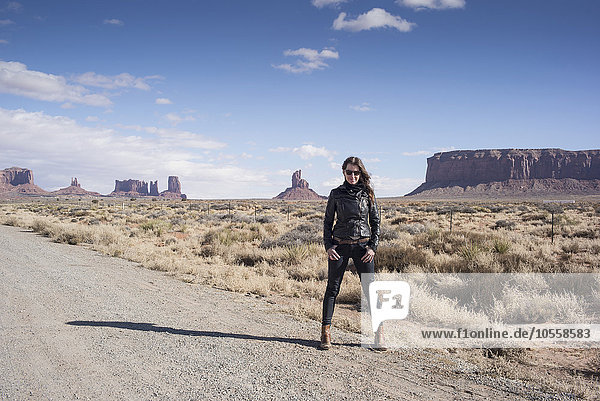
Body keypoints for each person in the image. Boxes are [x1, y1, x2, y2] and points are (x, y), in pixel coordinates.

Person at [320, 156, 385, 350]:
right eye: (349, 172)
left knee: (370, 291)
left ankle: (379, 334)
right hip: (339, 247)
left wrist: (373, 247)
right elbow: (327, 222)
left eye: (356, 173)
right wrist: (328, 246)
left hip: (362, 247)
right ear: (343, 172)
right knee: (332, 288)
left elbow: (376, 223)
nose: (353, 176)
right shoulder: (336, 194)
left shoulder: (368, 194)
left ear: (361, 173)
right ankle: (325, 333)